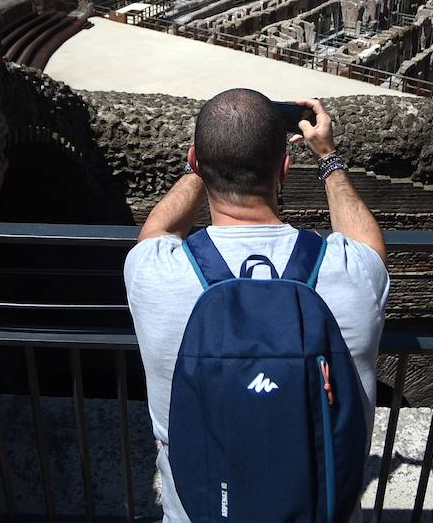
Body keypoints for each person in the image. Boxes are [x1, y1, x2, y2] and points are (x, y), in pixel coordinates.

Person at [124, 89, 389, 521]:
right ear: (284, 169)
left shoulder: (154, 273)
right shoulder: (350, 270)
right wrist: (328, 159)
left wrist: (201, 166)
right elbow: (369, 243)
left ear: (196, 161)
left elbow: (156, 229)